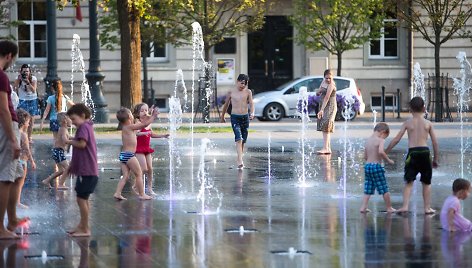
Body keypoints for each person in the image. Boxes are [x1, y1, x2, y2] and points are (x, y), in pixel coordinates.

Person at [385, 96, 439, 214]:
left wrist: (386, 151)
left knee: (409, 182)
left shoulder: (407, 123)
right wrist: (436, 159)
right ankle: (426, 208)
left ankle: (405, 206)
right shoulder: (428, 123)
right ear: (424, 108)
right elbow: (435, 142)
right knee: (426, 182)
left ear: (410, 109)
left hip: (413, 153)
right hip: (425, 152)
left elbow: (396, 139)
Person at [0, 40, 30, 239]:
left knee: (17, 172)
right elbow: (3, 108)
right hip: (7, 127)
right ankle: (1, 229)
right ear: (9, 55)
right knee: (5, 177)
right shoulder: (1, 76)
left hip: (8, 127)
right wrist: (12, 139)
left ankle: (11, 219)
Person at [64, 103, 98, 237]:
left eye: (73, 119)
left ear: (82, 116)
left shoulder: (83, 126)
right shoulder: (87, 126)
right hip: (88, 171)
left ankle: (85, 228)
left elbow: (82, 144)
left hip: (87, 171)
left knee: (81, 199)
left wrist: (68, 141)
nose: (72, 123)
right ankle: (82, 226)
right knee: (82, 198)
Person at [113, 107, 159, 201]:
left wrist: (149, 114)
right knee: (139, 174)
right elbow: (144, 124)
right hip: (129, 155)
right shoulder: (130, 127)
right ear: (130, 116)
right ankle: (142, 194)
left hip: (123, 155)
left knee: (125, 176)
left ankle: (117, 193)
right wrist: (153, 116)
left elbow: (141, 129)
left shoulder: (126, 128)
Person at [133, 103, 169, 196]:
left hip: (147, 148)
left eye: (146, 110)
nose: (144, 112)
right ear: (137, 113)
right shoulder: (138, 123)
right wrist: (143, 133)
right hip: (139, 149)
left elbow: (151, 134)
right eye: (142, 111)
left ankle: (149, 188)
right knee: (143, 169)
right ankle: (135, 186)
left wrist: (163, 135)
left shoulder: (148, 123)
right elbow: (136, 134)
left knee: (150, 169)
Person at [220, 74, 255, 169]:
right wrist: (222, 116)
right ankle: (240, 160)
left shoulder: (248, 92)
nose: (243, 85)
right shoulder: (231, 92)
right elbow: (226, 105)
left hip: (245, 117)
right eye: (241, 83)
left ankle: (239, 157)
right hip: (235, 117)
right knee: (238, 138)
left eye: (245, 84)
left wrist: (252, 113)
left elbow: (251, 104)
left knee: (243, 140)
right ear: (237, 81)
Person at [359, 123, 396, 213]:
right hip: (376, 166)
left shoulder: (368, 141)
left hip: (368, 166)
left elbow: (365, 156)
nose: (384, 139)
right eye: (385, 137)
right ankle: (389, 207)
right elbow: (381, 152)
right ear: (382, 132)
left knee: (368, 187)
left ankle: (363, 207)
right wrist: (388, 160)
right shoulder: (380, 141)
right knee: (384, 188)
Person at [41, 112, 71, 189]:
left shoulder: (63, 129)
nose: (71, 120)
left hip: (57, 151)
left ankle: (47, 180)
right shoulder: (63, 130)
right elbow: (65, 139)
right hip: (58, 151)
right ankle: (61, 184)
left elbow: (68, 137)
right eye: (70, 118)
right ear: (65, 121)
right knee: (68, 168)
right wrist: (70, 142)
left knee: (61, 170)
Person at [16, 109, 36, 209]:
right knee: (20, 182)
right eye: (28, 121)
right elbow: (27, 149)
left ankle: (13, 201)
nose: (29, 124)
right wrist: (32, 161)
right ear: (24, 122)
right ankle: (17, 202)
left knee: (14, 182)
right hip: (22, 161)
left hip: (15, 161)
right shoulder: (23, 135)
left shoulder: (15, 132)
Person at [13, 64, 39, 142]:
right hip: (22, 100)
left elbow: (34, 90)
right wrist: (18, 80)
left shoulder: (33, 78)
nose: (26, 73)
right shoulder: (18, 79)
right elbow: (14, 88)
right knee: (22, 120)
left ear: (30, 72)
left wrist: (28, 82)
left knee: (31, 120)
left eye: (27, 71)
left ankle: (29, 137)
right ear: (21, 72)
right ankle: (22, 136)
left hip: (32, 100)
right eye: (24, 71)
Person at [316, 69, 337, 154]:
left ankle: (326, 148)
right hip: (323, 106)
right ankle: (327, 148)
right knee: (325, 127)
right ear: (324, 77)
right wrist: (318, 92)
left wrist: (321, 110)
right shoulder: (323, 82)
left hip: (330, 107)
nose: (328, 80)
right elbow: (319, 91)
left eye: (330, 78)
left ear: (332, 78)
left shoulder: (331, 85)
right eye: (326, 78)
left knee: (326, 126)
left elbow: (327, 98)